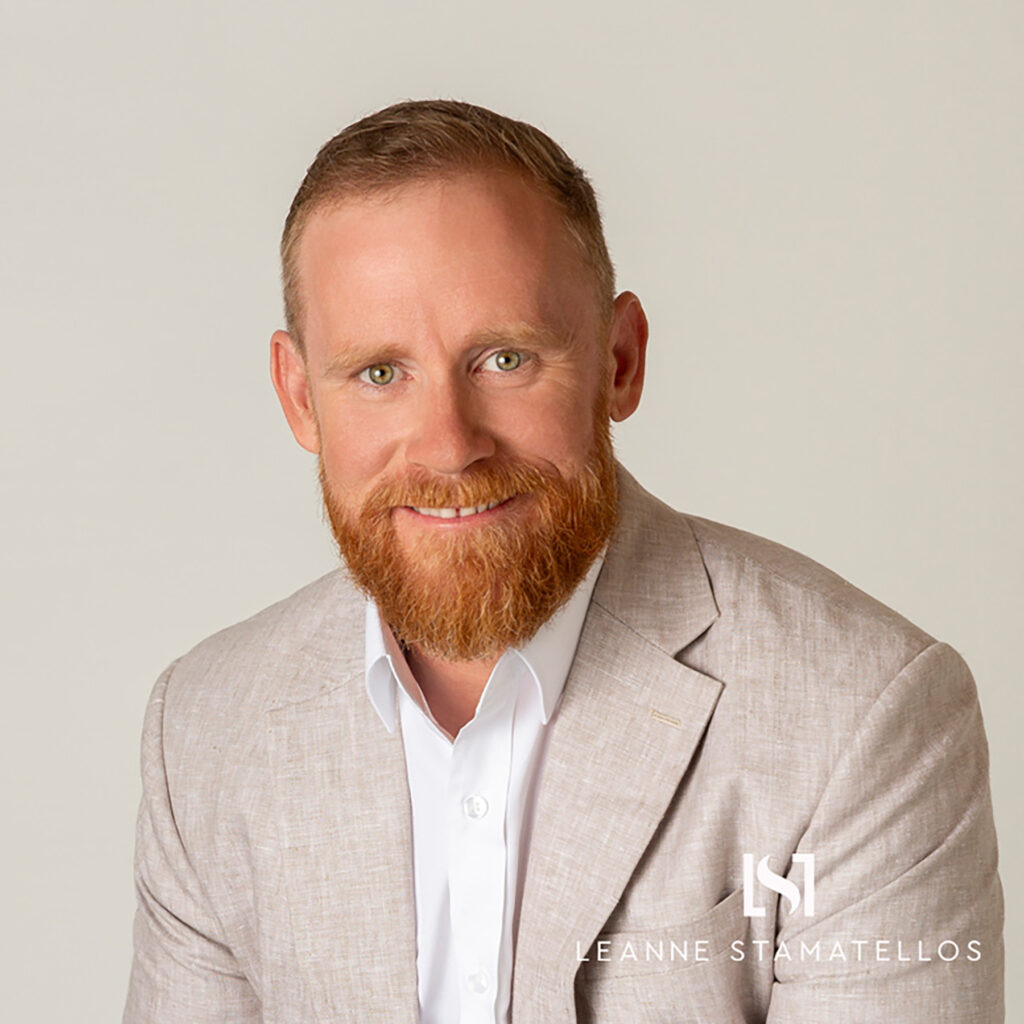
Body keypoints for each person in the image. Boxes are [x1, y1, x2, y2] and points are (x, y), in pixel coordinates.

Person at [123, 99, 1003, 1023]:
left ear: (619, 361)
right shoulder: (204, 731)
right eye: (380, 373)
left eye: (505, 359)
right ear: (300, 399)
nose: (449, 447)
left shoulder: (863, 712)